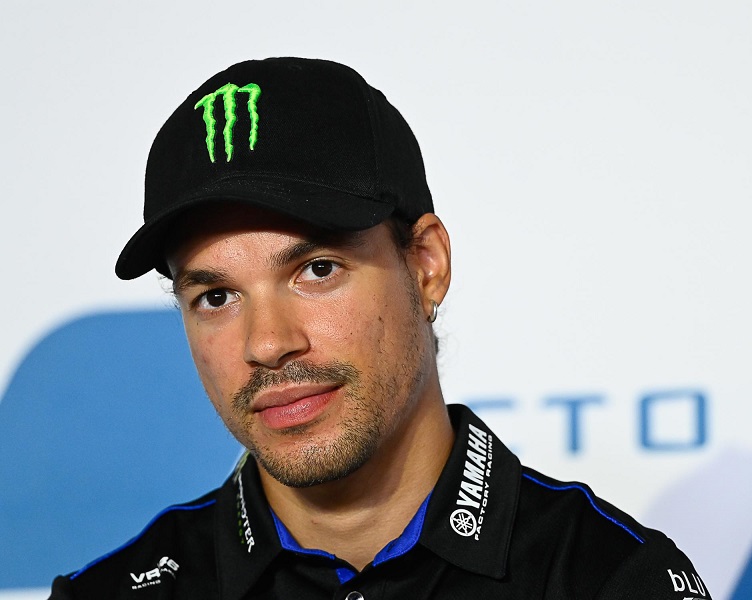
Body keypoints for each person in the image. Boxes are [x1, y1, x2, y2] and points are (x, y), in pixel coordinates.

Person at [50, 57, 711, 599]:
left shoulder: (610, 581)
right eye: (216, 296)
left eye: (317, 270)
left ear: (426, 266)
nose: (267, 344)